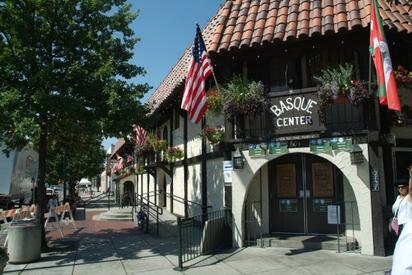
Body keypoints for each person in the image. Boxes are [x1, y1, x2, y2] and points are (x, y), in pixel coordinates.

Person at [391, 165, 412, 275]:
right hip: (397, 225)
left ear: (408, 187)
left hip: (406, 226)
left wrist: (411, 176)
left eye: (403, 187)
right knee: (398, 248)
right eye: (399, 187)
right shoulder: (398, 198)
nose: (400, 189)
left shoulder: (409, 198)